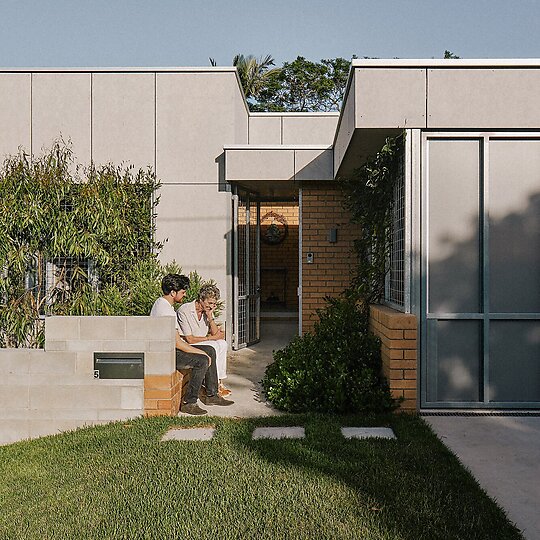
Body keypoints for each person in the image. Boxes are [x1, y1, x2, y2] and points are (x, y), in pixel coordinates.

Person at [150, 274, 233, 415]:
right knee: (202, 360)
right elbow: (179, 343)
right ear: (173, 292)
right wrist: (202, 354)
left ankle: (211, 395)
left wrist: (205, 350)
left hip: (170, 349)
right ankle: (189, 402)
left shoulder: (163, 304)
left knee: (210, 350)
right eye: (182, 292)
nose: (185, 294)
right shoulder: (166, 311)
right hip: (167, 354)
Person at [176, 283, 231, 397]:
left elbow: (217, 334)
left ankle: (219, 382)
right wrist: (211, 338)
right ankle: (213, 386)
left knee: (223, 344)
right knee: (214, 346)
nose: (211, 306)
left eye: (214, 304)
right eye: (209, 303)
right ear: (201, 299)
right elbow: (190, 339)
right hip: (188, 344)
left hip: (201, 341)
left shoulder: (207, 311)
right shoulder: (185, 310)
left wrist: (210, 316)